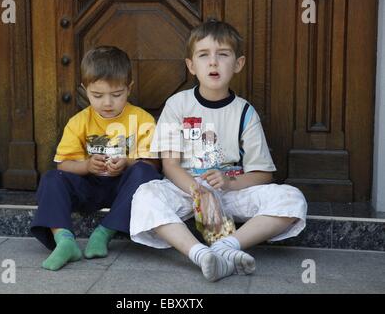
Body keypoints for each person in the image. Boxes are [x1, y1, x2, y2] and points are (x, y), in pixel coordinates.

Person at [130, 19, 307, 282]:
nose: (213, 62)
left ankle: (226, 247)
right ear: (191, 65)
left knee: (292, 198)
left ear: (238, 64)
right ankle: (200, 254)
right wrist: (199, 191)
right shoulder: (176, 105)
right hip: (186, 188)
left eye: (222, 55)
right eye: (203, 55)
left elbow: (262, 175)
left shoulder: (245, 112)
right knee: (145, 195)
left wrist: (228, 182)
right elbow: (170, 165)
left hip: (230, 190)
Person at [31, 46, 162, 271]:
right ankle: (64, 240)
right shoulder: (79, 121)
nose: (107, 103)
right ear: (85, 89)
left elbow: (154, 163)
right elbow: (64, 163)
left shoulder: (142, 119)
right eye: (97, 95)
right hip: (89, 185)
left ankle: (104, 232)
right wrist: (87, 165)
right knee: (52, 178)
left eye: (116, 94)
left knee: (146, 173)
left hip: (124, 189)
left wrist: (127, 162)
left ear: (129, 89)